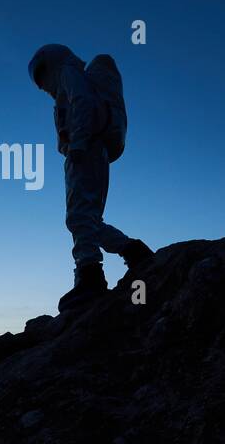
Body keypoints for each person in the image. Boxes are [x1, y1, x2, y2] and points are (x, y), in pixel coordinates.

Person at [28, 43, 153, 312]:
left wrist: (78, 145)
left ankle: (90, 276)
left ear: (49, 64)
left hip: (85, 150)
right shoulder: (67, 79)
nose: (42, 86)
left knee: (79, 217)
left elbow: (83, 102)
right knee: (89, 218)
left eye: (41, 78)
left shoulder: (67, 73)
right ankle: (133, 251)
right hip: (91, 149)